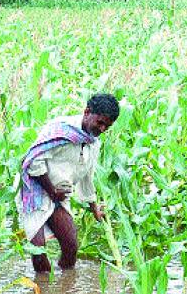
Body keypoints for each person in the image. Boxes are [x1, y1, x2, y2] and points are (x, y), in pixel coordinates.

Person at [16, 93, 119, 273]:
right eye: (100, 122)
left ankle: (65, 288)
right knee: (38, 251)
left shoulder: (92, 141)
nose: (102, 129)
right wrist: (51, 191)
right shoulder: (60, 130)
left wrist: (93, 206)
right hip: (35, 191)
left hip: (58, 193)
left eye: (107, 126)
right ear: (87, 112)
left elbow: (87, 175)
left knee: (71, 246)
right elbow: (33, 162)